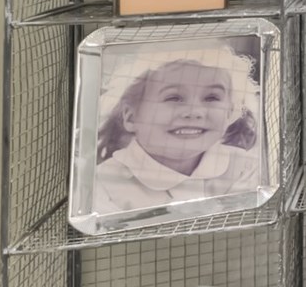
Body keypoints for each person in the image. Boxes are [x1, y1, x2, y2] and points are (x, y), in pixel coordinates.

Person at [93, 44, 264, 214]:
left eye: (212, 97)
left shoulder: (247, 168)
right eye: (174, 98)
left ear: (229, 113)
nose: (194, 112)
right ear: (131, 117)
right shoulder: (103, 184)